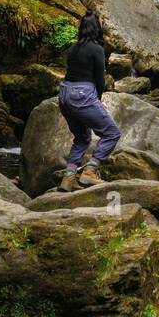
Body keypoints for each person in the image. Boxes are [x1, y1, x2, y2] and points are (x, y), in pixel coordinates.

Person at [56, 10, 120, 190]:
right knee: (111, 133)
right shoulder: (97, 49)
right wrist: (98, 99)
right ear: (96, 29)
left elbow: (72, 73)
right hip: (82, 95)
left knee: (82, 137)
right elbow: (100, 79)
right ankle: (90, 171)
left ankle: (69, 178)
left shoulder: (73, 48)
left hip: (64, 94)